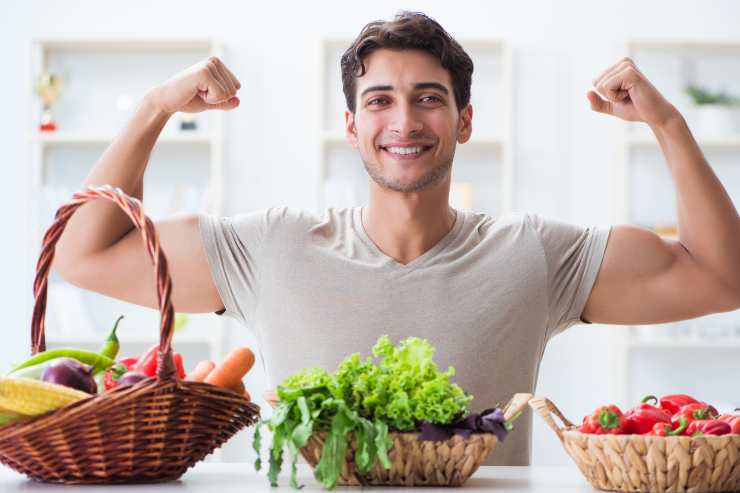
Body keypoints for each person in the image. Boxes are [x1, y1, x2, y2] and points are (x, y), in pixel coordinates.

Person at [52, 12, 740, 466]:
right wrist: (153, 109)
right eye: (379, 99)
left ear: (463, 120)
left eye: (429, 97)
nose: (403, 120)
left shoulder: (534, 254)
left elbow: (719, 277)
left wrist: (669, 125)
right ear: (351, 125)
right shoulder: (270, 248)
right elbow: (84, 254)